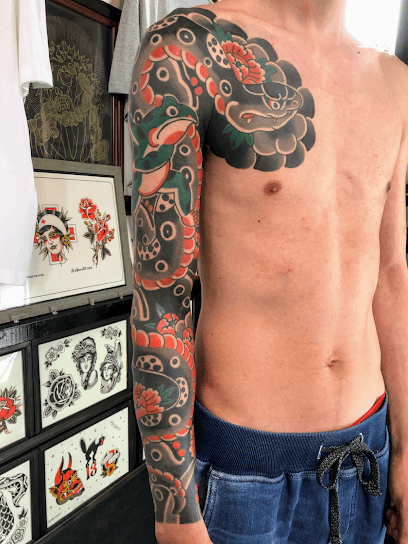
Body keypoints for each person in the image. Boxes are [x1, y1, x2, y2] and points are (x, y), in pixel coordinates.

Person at [129, 0, 408, 542]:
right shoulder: (188, 49)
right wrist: (174, 508)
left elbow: (392, 275)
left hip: (366, 454)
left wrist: (406, 451)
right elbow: (161, 295)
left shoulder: (394, 82)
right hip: (243, 475)